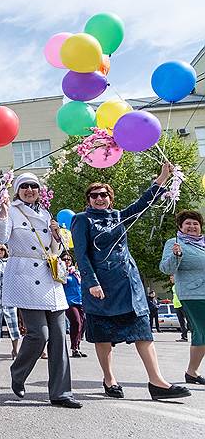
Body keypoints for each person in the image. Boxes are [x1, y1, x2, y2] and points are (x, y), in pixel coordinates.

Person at [70, 162, 190, 401]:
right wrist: (92, 282)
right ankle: (109, 378)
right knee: (104, 336)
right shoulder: (82, 220)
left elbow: (143, 203)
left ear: (110, 198)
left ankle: (157, 382)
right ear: (88, 200)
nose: (99, 198)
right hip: (101, 288)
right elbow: (81, 255)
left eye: (103, 195)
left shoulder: (118, 216)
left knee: (143, 332)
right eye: (94, 196)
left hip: (128, 286)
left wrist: (163, 177)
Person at [0, 172, 81, 409]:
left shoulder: (46, 213)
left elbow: (56, 249)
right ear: (18, 190)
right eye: (24, 186)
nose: (30, 190)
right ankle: (18, 372)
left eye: (34, 186)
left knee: (59, 337)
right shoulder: (11, 210)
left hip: (49, 277)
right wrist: (1, 214)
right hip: (24, 275)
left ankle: (61, 392)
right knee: (39, 335)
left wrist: (55, 235)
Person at [160, 210, 205, 385]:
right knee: (202, 331)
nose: (192, 226)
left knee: (200, 334)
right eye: (188, 223)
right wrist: (176, 255)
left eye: (195, 223)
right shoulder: (175, 243)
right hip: (193, 294)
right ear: (180, 226)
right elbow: (166, 269)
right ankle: (192, 372)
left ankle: (192, 372)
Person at [62, 253, 87, 358]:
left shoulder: (76, 273)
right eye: (64, 259)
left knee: (82, 323)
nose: (67, 261)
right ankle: (74, 348)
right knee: (76, 322)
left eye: (69, 259)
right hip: (69, 302)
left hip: (81, 301)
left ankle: (77, 347)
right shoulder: (62, 273)